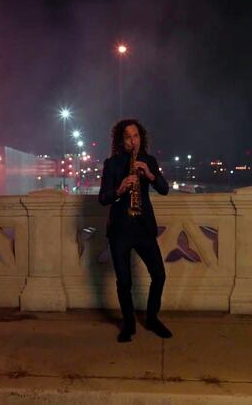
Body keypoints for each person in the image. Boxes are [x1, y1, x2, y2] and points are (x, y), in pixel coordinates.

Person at [98, 119, 172, 342]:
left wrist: (149, 174)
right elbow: (103, 198)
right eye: (128, 137)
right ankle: (128, 325)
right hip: (120, 230)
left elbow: (164, 189)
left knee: (159, 275)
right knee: (125, 283)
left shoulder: (149, 160)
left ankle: (152, 318)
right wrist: (120, 189)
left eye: (136, 136)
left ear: (141, 138)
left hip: (144, 228)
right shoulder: (111, 164)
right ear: (121, 141)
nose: (133, 141)